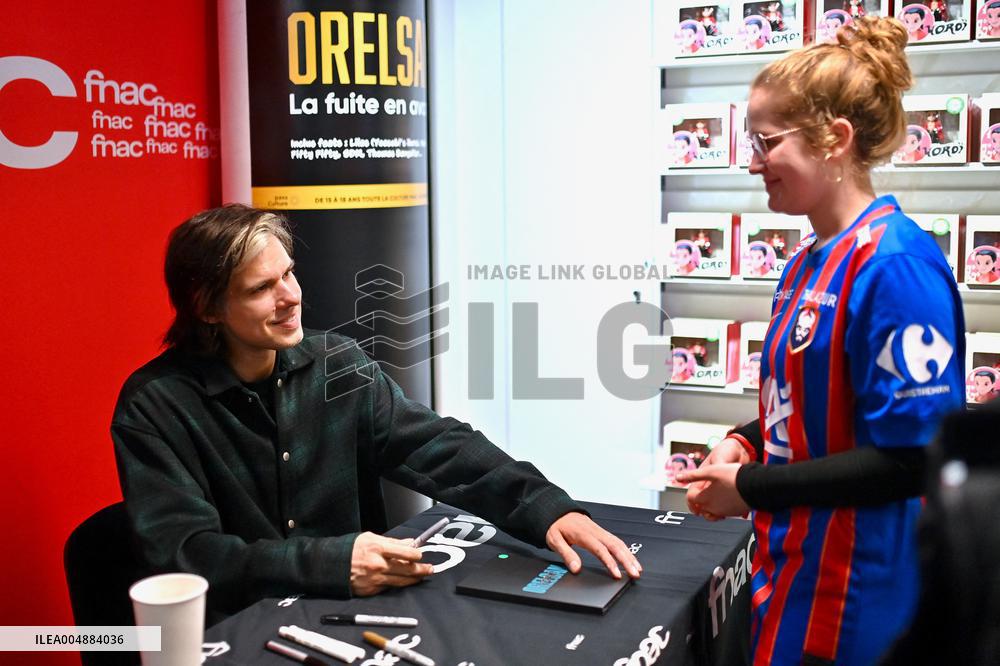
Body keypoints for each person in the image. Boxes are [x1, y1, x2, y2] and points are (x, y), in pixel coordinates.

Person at [112, 205, 641, 621]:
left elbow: (438, 447)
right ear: (206, 307)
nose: (290, 297)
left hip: (353, 614)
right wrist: (328, 563)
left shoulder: (336, 363)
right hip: (240, 631)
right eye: (261, 288)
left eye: (289, 274)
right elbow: (185, 554)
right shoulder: (154, 406)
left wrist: (546, 508)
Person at [675, 16, 965, 665]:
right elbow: (821, 401)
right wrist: (748, 439)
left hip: (857, 597)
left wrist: (750, 485)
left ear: (835, 139)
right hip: (793, 572)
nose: (753, 162)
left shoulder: (895, 266)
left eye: (766, 142)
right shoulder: (808, 258)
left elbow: (911, 458)